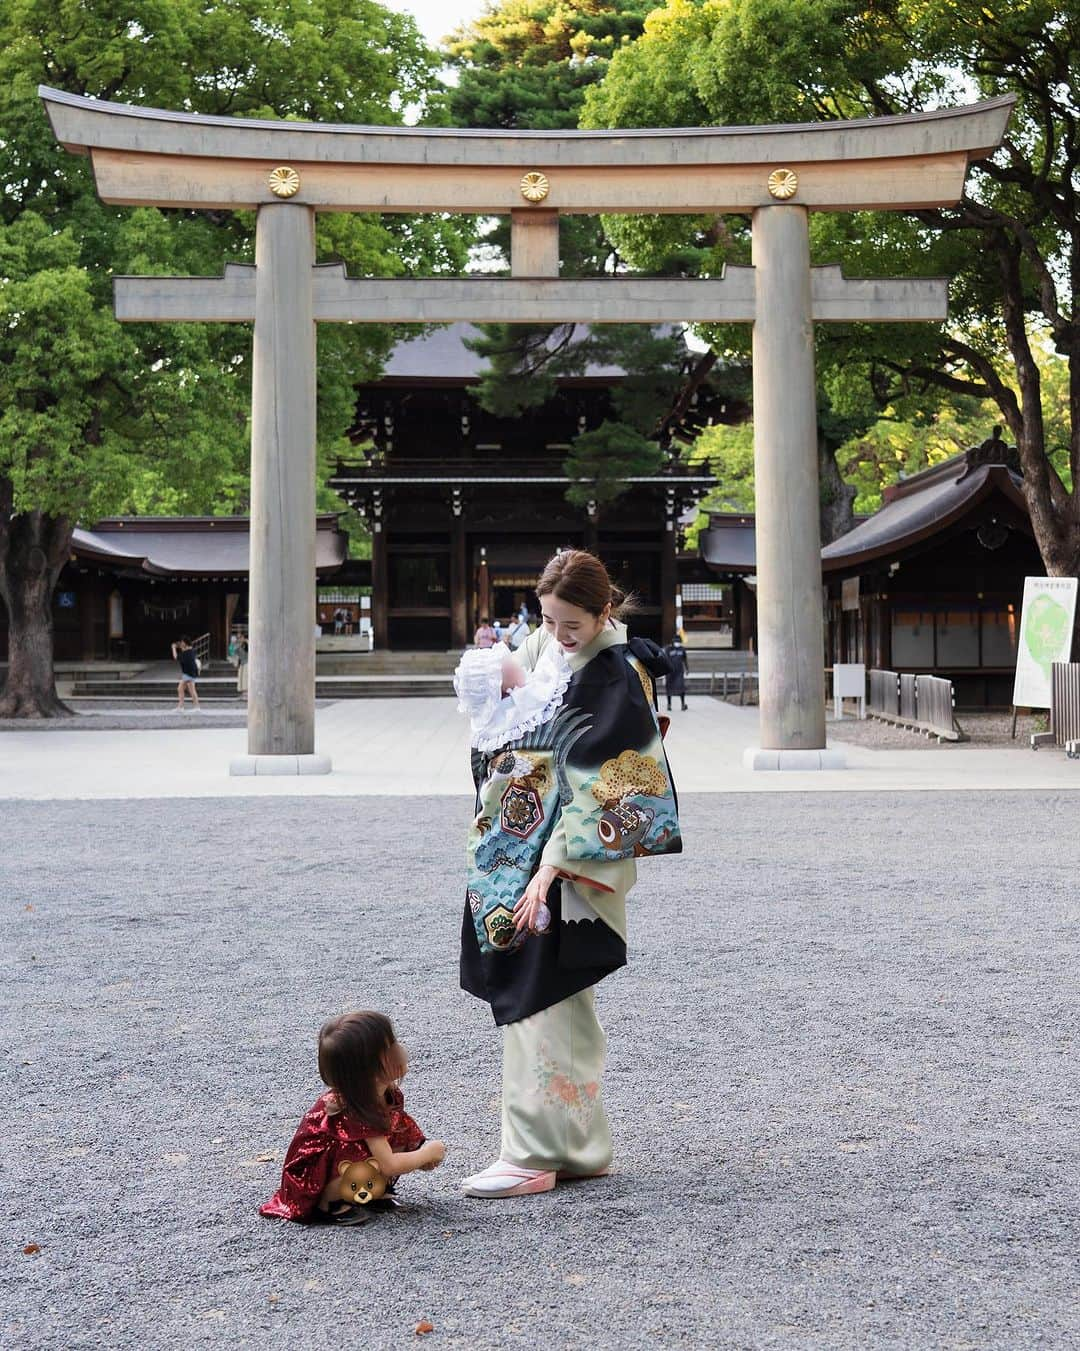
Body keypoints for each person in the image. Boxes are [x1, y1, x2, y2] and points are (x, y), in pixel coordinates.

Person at [459, 549, 682, 1198]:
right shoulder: (551, 649)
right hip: (524, 849)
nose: (557, 635)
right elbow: (496, 687)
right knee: (562, 1003)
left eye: (570, 624)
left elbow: (615, 782)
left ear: (603, 609)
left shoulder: (610, 670)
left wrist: (550, 867)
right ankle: (580, 1145)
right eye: (548, 619)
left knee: (538, 999)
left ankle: (532, 1150)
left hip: (557, 862)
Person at [260, 1011, 446, 1225]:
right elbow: (389, 1165)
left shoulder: (382, 1093)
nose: (400, 1050)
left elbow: (399, 1131)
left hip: (355, 1159)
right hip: (312, 1180)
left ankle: (369, 1192)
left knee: (395, 1134)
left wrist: (415, 1150)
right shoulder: (358, 1107)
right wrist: (426, 1153)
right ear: (368, 1070)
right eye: (390, 1048)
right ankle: (330, 1203)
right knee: (366, 1155)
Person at [454, 640, 572, 757]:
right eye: (502, 664)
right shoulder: (522, 705)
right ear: (498, 689)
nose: (512, 660)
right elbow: (548, 676)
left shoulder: (496, 723)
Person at [170, 635, 201, 712]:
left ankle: (183, 707)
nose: (181, 644)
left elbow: (175, 657)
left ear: (185, 643)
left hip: (188, 674)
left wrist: (173, 648)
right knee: (190, 690)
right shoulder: (192, 651)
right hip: (190, 673)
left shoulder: (186, 653)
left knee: (181, 689)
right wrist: (179, 646)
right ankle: (193, 707)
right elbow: (184, 650)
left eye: (182, 642)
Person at [663, 635, 690, 711]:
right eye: (676, 642)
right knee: (669, 688)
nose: (677, 643)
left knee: (681, 688)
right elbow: (665, 660)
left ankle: (683, 704)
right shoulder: (668, 649)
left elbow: (685, 660)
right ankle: (669, 704)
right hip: (670, 672)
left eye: (679, 642)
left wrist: (687, 669)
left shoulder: (682, 649)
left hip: (679, 672)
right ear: (673, 642)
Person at [235, 632, 249, 698]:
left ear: (243, 637)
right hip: (242, 663)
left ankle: (246, 692)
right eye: (237, 638)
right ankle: (243, 692)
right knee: (241, 678)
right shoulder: (239, 644)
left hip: (247, 663)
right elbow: (238, 654)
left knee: (245, 677)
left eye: (240, 637)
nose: (238, 639)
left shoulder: (247, 643)